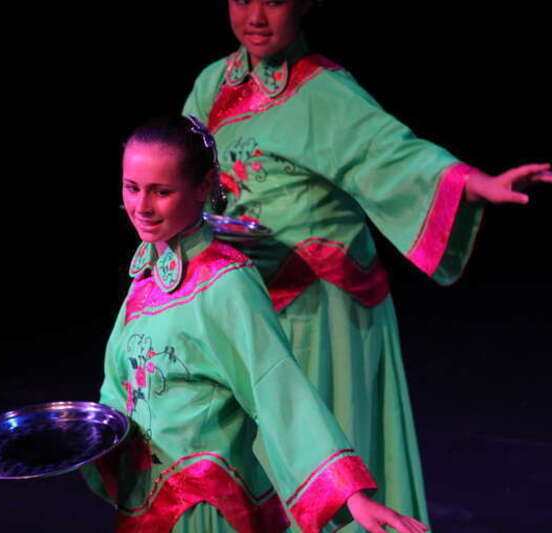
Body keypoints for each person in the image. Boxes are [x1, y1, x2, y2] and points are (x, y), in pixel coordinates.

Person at [181, 0, 551, 529]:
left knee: (324, 445)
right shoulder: (213, 83)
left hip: (320, 305)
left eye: (274, 0)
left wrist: (472, 183)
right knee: (261, 449)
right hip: (248, 294)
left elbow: (390, 153)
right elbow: (186, 165)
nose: (255, 17)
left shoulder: (324, 88)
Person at [81, 115, 430, 533]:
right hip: (146, 507)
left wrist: (350, 495)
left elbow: (280, 390)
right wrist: (82, 440)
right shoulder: (147, 276)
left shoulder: (226, 282)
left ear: (203, 186)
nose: (142, 207)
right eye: (132, 188)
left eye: (162, 191)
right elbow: (119, 389)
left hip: (206, 507)